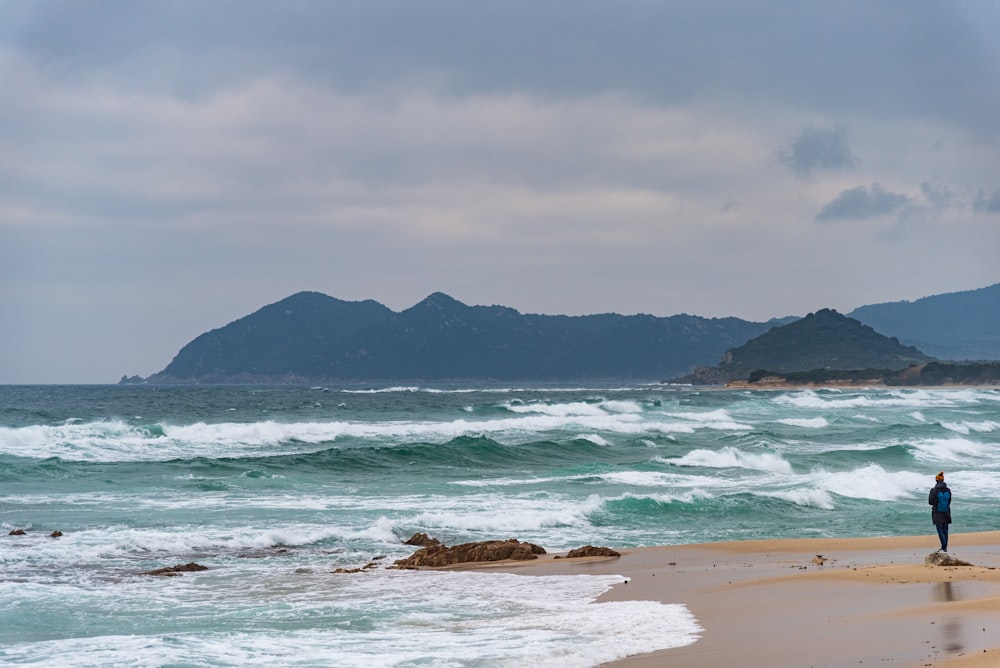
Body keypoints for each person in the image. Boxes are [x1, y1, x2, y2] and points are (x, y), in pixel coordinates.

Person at [928, 471, 952, 552]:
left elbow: (930, 502)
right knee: (945, 530)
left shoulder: (934, 490)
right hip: (946, 511)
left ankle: (943, 547)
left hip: (937, 512)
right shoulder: (948, 490)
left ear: (936, 480)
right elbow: (949, 501)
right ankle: (945, 548)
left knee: (940, 530)